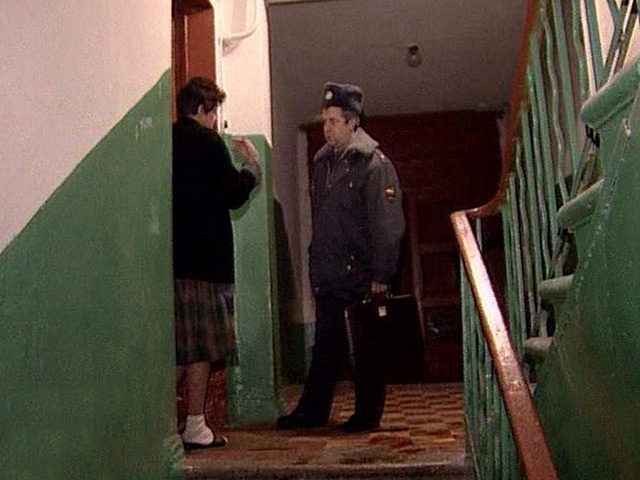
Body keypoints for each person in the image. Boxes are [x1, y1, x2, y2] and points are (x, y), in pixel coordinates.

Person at [277, 82, 405, 433]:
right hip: (329, 270)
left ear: (352, 121)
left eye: (334, 121)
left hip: (361, 272)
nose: (327, 128)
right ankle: (313, 411)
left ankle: (367, 413)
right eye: (324, 121)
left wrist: (382, 273)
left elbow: (387, 223)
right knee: (325, 346)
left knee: (365, 348)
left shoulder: (373, 164)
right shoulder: (323, 163)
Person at [173, 77, 260, 449]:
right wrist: (251, 167)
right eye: (213, 113)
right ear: (201, 109)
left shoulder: (167, 141)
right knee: (202, 348)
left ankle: (159, 423)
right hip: (207, 262)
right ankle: (195, 423)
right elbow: (234, 194)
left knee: (179, 348)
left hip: (174, 262)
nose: (214, 121)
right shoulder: (207, 142)